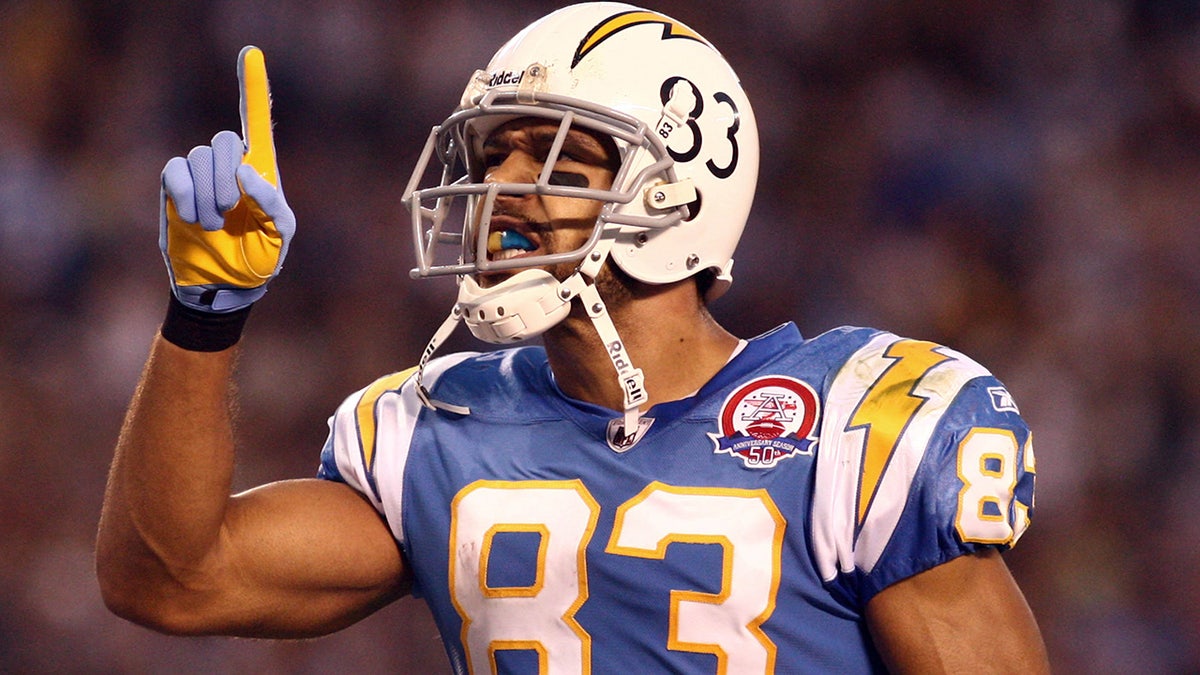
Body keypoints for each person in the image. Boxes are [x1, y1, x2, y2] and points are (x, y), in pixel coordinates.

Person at [96, 3, 1050, 672]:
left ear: (680, 193)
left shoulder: (854, 426)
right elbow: (171, 578)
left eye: (557, 155)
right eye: (494, 150)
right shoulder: (441, 426)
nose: (503, 185)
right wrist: (205, 314)